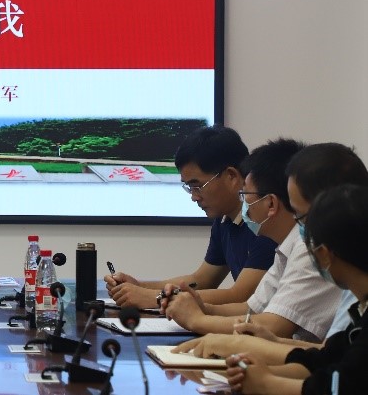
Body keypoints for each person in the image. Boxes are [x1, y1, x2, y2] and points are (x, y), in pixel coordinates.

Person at [176, 142, 368, 362]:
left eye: (300, 214)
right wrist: (204, 310)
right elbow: (326, 354)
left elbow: (276, 326)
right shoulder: (288, 245)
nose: (300, 227)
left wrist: (198, 320)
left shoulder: (310, 247)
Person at [105, 125, 277, 309]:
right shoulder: (224, 220)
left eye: (198, 186)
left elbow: (241, 296)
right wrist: (139, 286)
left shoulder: (264, 221)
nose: (194, 197)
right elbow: (202, 280)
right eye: (189, 187)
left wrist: (155, 297)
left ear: (231, 176)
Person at [220, 183, 368, 394]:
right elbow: (327, 359)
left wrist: (267, 383)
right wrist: (268, 355)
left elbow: (341, 387)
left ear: (324, 253)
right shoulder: (360, 311)